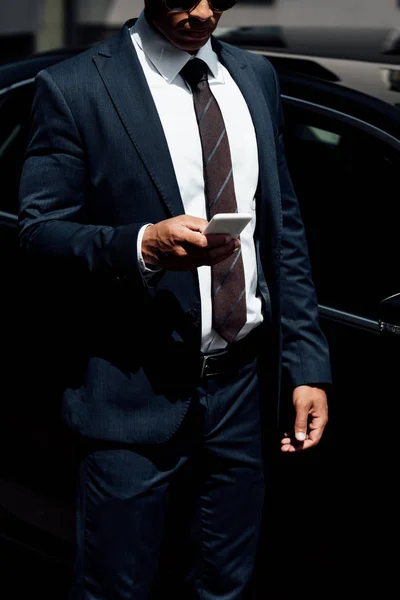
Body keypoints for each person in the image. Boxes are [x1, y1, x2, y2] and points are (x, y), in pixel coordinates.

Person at [18, 1, 331, 599]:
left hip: (242, 388)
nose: (204, 11)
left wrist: (306, 365)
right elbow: (39, 232)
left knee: (225, 585)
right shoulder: (77, 86)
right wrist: (143, 245)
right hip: (131, 391)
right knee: (118, 587)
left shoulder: (254, 76)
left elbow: (283, 228)